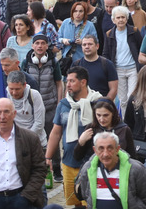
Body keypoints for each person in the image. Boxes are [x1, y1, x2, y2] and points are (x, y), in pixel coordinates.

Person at [0, 98, 50, 208]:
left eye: (6, 111)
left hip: (21, 198)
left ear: (14, 114)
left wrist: (27, 196)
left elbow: (40, 168)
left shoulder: (30, 138)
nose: (2, 116)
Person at [46, 66, 104, 208]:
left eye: (72, 81)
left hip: (92, 164)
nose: (68, 84)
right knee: (75, 203)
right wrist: (48, 157)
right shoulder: (64, 104)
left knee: (90, 204)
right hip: (68, 163)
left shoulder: (98, 102)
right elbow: (56, 132)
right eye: (68, 81)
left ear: (83, 82)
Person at [74, 130, 146, 209]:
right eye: (101, 148)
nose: (105, 154)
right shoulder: (88, 168)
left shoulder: (135, 169)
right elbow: (86, 194)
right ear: (95, 150)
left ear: (117, 149)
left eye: (110, 148)